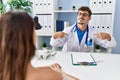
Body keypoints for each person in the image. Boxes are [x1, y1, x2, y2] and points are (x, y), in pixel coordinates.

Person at [0, 10, 79, 80]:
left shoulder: (4, 73)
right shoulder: (53, 76)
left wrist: (46, 67)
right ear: (30, 37)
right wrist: (60, 73)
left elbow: (24, 72)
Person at [50, 6, 116, 52]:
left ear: (89, 18)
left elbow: (111, 45)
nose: (81, 16)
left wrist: (108, 37)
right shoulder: (68, 30)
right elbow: (54, 44)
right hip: (69, 59)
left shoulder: (93, 32)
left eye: (84, 14)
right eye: (80, 14)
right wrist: (54, 36)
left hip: (86, 61)